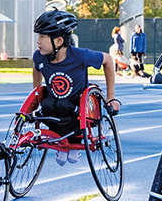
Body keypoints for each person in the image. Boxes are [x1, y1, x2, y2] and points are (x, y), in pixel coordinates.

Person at [31, 9, 122, 165]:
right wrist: (36, 92)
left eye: (42, 37)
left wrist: (110, 96)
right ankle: (60, 139)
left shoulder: (80, 56)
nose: (38, 41)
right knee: (47, 105)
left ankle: (72, 140)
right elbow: (36, 68)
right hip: (53, 110)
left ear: (58, 41)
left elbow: (108, 60)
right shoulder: (39, 56)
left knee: (64, 105)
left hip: (78, 111)